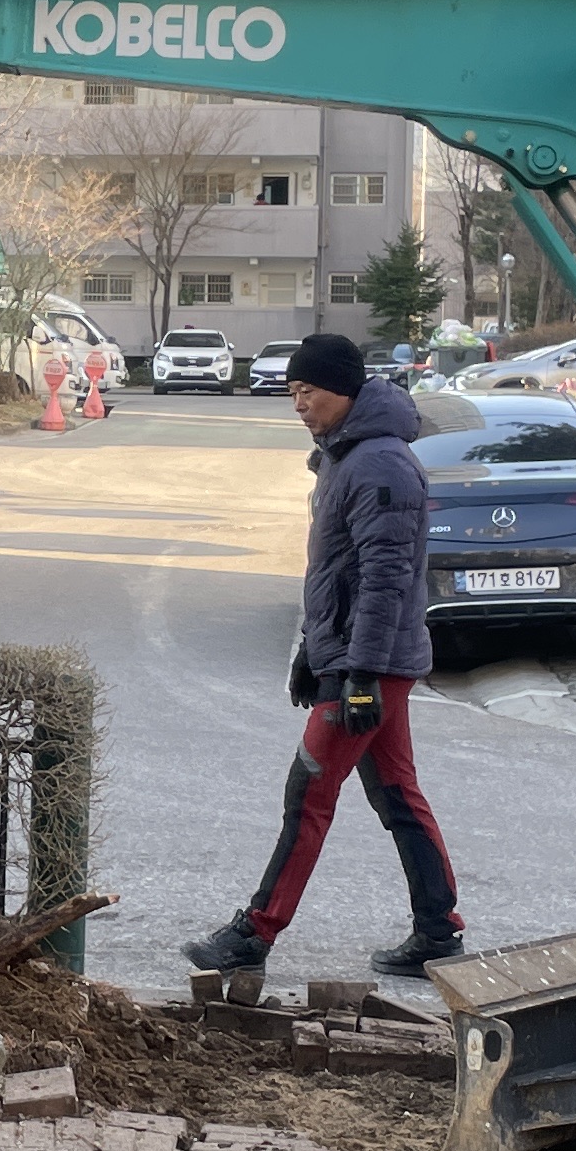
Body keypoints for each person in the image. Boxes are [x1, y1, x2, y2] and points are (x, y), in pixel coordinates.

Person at [186, 332, 465, 979]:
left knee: (308, 791)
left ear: (342, 389)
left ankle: (253, 935)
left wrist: (358, 674)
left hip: (372, 665)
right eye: (292, 392)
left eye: (307, 390)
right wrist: (314, 650)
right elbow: (337, 573)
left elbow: (385, 581)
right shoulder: (346, 455)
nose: (298, 404)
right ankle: (438, 929)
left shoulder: (381, 465)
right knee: (397, 794)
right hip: (362, 659)